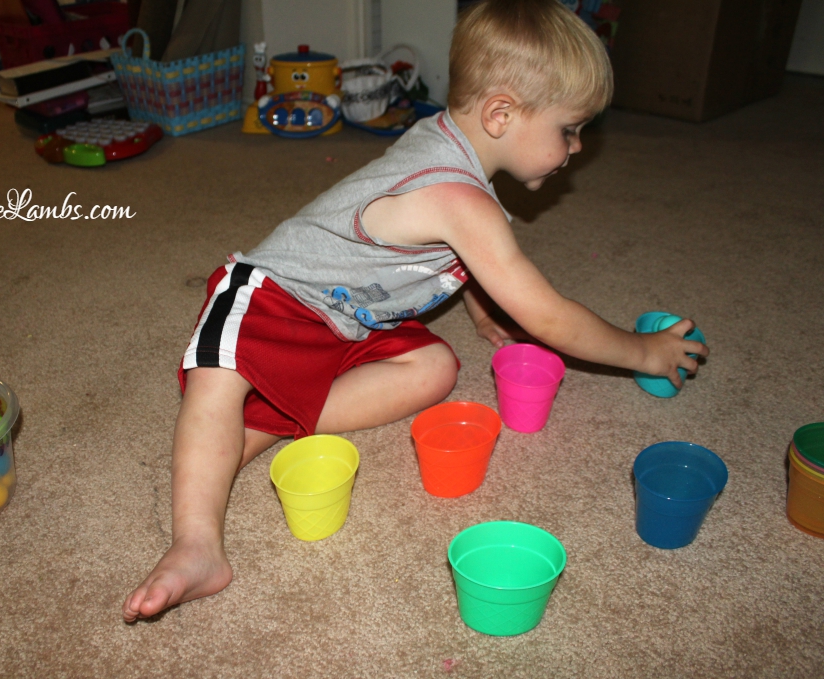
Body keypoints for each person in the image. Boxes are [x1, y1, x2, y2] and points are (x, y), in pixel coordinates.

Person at [123, 0, 709, 622]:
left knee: (435, 369)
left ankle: (252, 432)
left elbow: (462, 252)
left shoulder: (449, 146)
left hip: (350, 322)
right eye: (569, 129)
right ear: (501, 113)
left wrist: (481, 307)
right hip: (275, 296)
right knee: (217, 383)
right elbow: (550, 317)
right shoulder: (459, 199)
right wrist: (643, 351)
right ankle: (195, 542)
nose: (577, 145)